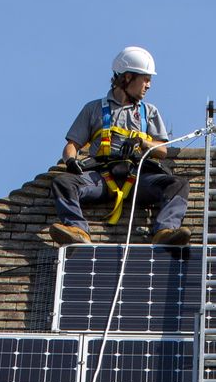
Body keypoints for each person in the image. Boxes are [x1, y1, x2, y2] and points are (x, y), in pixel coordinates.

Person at [48, 46, 191, 247]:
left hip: (138, 176)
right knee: (63, 182)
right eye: (146, 79)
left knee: (178, 184)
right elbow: (72, 145)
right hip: (103, 176)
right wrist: (70, 160)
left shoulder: (148, 112)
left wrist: (142, 142)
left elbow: (162, 150)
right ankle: (77, 230)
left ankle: (165, 231)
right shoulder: (94, 109)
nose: (148, 85)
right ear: (127, 78)